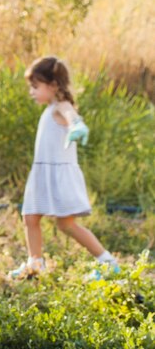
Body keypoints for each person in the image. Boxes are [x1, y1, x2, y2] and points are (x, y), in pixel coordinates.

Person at [8, 56, 119, 280]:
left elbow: (72, 116)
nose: (31, 92)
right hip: (42, 174)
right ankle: (35, 263)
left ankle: (107, 262)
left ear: (53, 86)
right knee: (30, 217)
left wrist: (77, 126)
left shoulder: (61, 106)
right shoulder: (49, 108)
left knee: (66, 224)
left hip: (58, 175)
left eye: (35, 86)